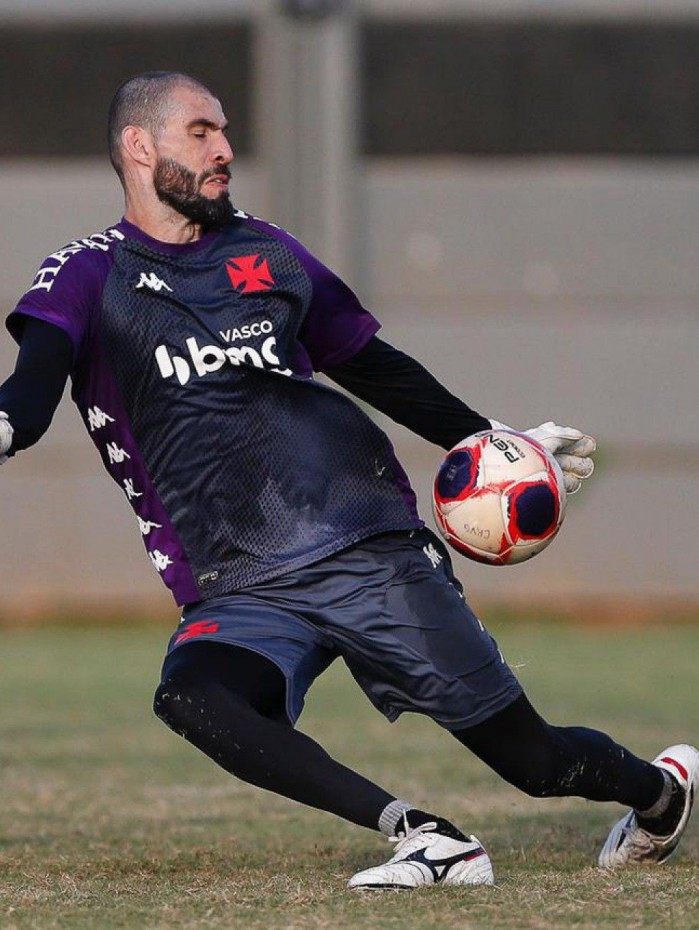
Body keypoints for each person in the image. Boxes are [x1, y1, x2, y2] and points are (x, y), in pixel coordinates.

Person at [1, 71, 695, 889]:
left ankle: (661, 794)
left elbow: (372, 366)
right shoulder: (86, 273)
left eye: (224, 131)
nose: (224, 149)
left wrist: (495, 443)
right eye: (201, 132)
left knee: (534, 762)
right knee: (195, 697)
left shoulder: (265, 252)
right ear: (138, 146)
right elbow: (29, 395)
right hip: (242, 584)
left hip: (365, 546)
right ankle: (425, 836)